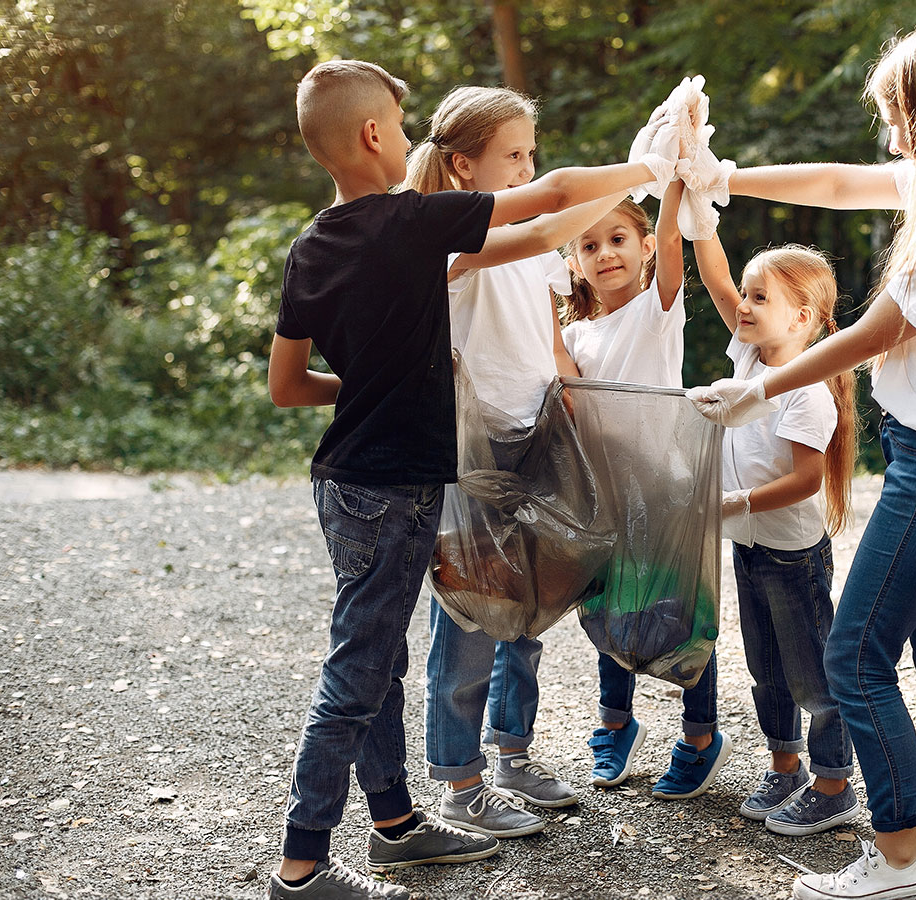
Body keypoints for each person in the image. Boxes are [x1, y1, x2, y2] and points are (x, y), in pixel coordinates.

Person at [265, 59, 678, 900]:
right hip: (395, 490)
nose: (413, 137)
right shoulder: (410, 223)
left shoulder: (311, 244)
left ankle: (394, 827)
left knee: (376, 664)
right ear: (375, 136)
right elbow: (548, 199)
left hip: (341, 481)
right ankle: (301, 866)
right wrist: (653, 163)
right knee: (355, 673)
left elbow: (286, 387)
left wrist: (376, 386)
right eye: (403, 124)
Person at [689, 22, 916, 900]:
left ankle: (895, 857)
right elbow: (838, 182)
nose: (890, 135)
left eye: (898, 116)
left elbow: (871, 336)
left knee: (852, 658)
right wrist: (721, 180)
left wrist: (758, 392)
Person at [401, 83, 631, 840]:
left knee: (528, 605)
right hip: (475, 448)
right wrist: (639, 171)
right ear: (463, 167)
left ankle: (510, 755)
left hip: (536, 435)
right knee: (470, 615)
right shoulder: (445, 235)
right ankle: (459, 784)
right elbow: (540, 228)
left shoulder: (528, 238)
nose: (529, 166)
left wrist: (574, 408)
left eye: (533, 153)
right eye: (514, 156)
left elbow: (550, 341)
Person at [560, 189, 734, 800]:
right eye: (589, 244)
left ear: (641, 249)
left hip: (666, 490)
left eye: (617, 239)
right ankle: (615, 723)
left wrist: (675, 179)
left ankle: (700, 737)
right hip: (606, 497)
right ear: (573, 261)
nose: (604, 253)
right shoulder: (575, 335)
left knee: (682, 614)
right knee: (609, 611)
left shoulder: (657, 310)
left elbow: (671, 243)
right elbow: (572, 395)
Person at [690, 238, 860, 836]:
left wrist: (733, 502)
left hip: (792, 555)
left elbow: (805, 481)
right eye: (748, 291)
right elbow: (714, 281)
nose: (744, 303)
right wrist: (698, 206)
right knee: (766, 665)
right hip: (749, 546)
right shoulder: (749, 363)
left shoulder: (807, 391)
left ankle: (833, 781)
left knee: (811, 670)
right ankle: (785, 768)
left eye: (760, 296)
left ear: (803, 318)